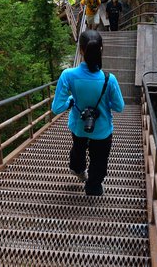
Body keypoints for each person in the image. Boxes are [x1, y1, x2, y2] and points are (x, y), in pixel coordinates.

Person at [51, 30, 124, 196]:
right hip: (102, 129)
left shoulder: (68, 75)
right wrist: (105, 103)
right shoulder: (109, 79)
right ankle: (93, 187)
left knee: (78, 148)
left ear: (81, 50)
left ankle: (77, 169)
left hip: (79, 125)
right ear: (101, 49)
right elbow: (119, 107)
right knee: (99, 159)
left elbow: (57, 108)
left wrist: (71, 100)